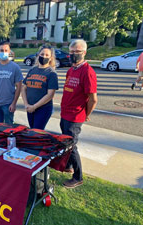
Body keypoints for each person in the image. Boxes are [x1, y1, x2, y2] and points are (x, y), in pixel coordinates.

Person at [60, 39, 98, 188]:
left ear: (84, 52)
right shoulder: (71, 70)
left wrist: (86, 114)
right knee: (67, 142)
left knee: (72, 145)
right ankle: (68, 166)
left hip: (75, 116)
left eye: (77, 51)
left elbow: (93, 99)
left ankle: (78, 177)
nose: (74, 54)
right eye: (72, 52)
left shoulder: (88, 72)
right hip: (65, 114)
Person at [21, 46, 58, 130]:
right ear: (38, 55)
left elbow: (50, 95)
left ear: (51, 58)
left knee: (37, 132)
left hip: (43, 109)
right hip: (29, 107)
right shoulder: (32, 70)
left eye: (47, 55)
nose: (44, 56)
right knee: (32, 130)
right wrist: (26, 104)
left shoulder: (51, 73)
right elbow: (23, 88)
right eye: (42, 54)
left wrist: (34, 107)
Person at [0, 41, 23, 124]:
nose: (4, 52)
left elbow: (19, 86)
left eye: (6, 50)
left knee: (8, 128)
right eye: (2, 50)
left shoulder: (15, 67)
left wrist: (14, 103)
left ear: (9, 51)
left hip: (8, 104)